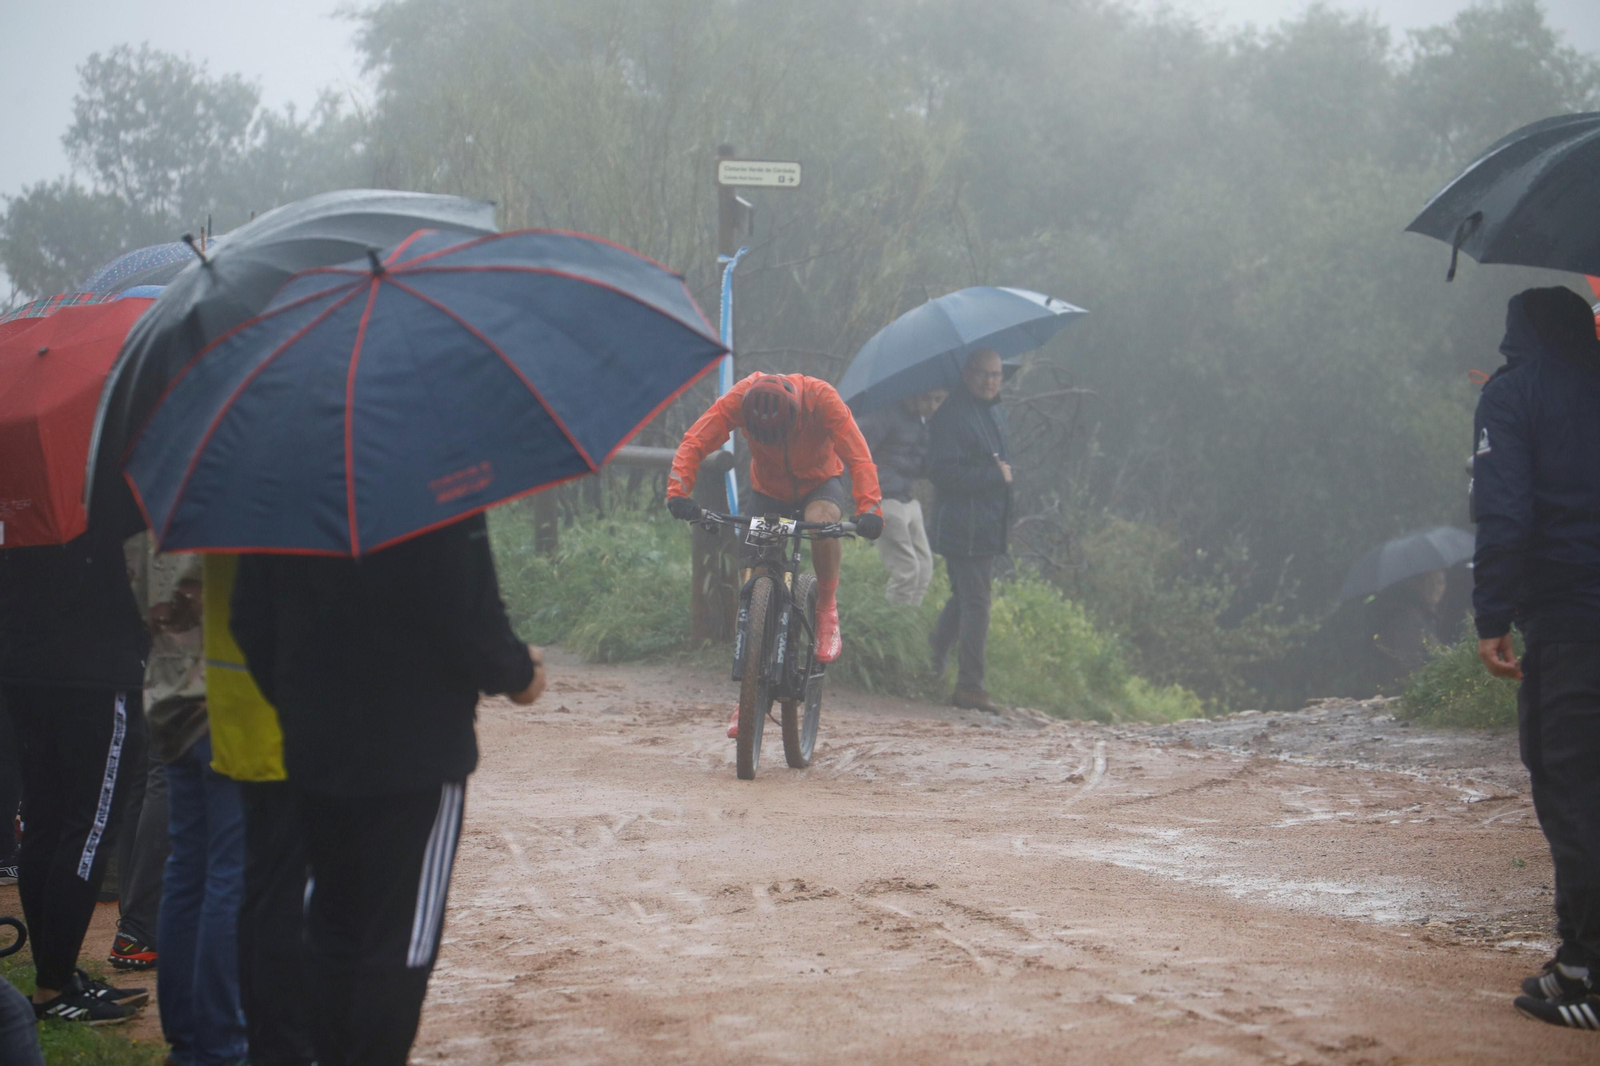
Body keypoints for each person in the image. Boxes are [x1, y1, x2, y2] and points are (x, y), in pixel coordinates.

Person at [231, 513, 543, 1066]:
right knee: (400, 940)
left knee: (332, 924)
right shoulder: (438, 487)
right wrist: (522, 672)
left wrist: (300, 702)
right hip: (418, 756)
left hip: (315, 748)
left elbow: (249, 621)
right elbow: (473, 620)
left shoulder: (285, 492)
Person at [1471, 286, 1600, 1029]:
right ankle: (1575, 962)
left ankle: (1586, 966)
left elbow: (1505, 509)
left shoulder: (1514, 396)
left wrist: (1493, 614)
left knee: (1574, 789)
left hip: (1570, 625)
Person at [665, 372, 884, 737]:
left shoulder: (822, 399)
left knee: (821, 523)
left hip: (819, 484)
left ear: (798, 417)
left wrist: (870, 509)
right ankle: (749, 691)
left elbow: (858, 456)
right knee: (753, 577)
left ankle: (826, 606)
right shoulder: (740, 398)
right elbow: (696, 440)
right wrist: (678, 491)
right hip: (768, 491)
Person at [0, 498, 150, 1024]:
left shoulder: (26, 471)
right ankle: (53, 985)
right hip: (93, 666)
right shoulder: (102, 469)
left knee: (45, 821)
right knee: (87, 827)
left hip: (25, 659)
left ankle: (55, 978)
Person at [206, 553, 315, 1066]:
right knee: (287, 900)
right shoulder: (286, 511)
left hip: (237, 719)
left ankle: (265, 1042)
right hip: (285, 729)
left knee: (258, 890)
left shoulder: (225, 499)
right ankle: (287, 1044)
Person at [927, 349, 1011, 714]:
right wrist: (996, 475)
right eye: (983, 373)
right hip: (966, 526)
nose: (990, 380)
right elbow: (943, 473)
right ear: (967, 374)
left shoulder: (990, 410)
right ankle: (970, 687)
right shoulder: (951, 416)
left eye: (996, 374)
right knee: (977, 603)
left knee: (963, 598)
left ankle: (929, 666)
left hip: (986, 524)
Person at [857, 389, 946, 607]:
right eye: (927, 397)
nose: (933, 406)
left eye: (938, 399)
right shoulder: (885, 414)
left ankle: (905, 624)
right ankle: (890, 624)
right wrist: (865, 496)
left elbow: (919, 466)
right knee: (906, 570)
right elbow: (856, 449)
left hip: (907, 498)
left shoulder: (922, 422)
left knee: (924, 566)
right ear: (913, 393)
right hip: (884, 499)